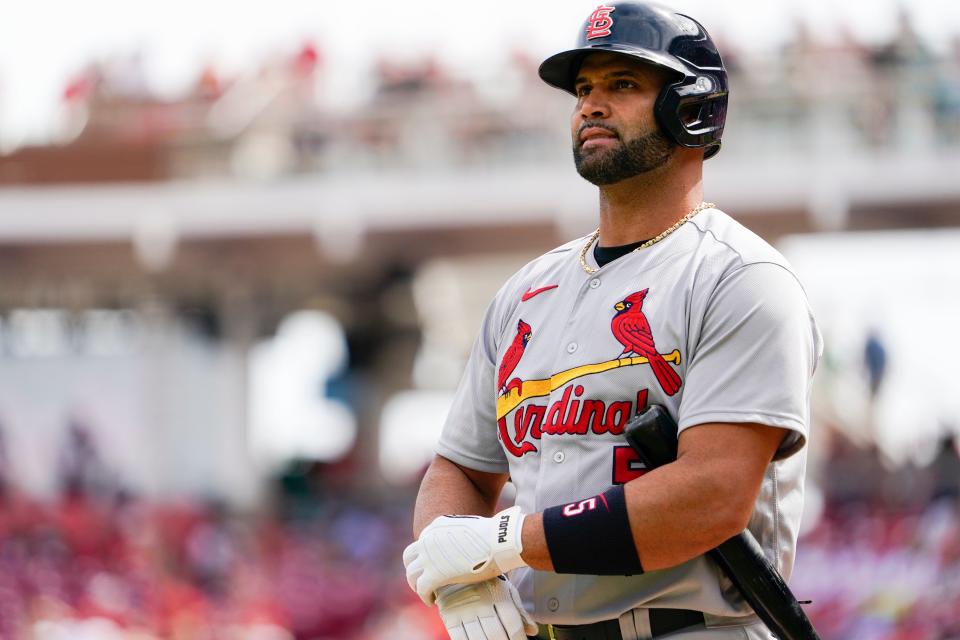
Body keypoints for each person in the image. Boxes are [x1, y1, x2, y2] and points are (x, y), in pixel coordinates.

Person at [403, 3, 823, 639]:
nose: (590, 106)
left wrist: (509, 540)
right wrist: (459, 574)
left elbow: (711, 495)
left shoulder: (739, 277)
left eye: (622, 84)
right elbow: (460, 468)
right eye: (583, 89)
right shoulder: (523, 293)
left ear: (692, 106)